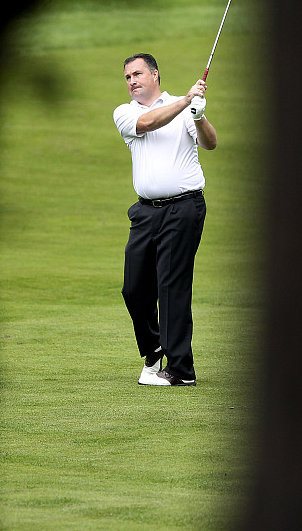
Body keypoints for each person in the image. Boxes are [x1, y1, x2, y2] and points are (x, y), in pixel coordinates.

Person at [113, 53, 217, 386]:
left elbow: (210, 142)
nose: (132, 81)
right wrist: (187, 101)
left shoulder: (183, 106)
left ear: (155, 75)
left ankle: (180, 370)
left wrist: (198, 115)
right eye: (128, 77)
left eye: (138, 74)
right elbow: (150, 123)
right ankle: (154, 346)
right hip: (145, 211)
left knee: (171, 286)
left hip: (184, 207)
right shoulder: (126, 113)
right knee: (133, 288)